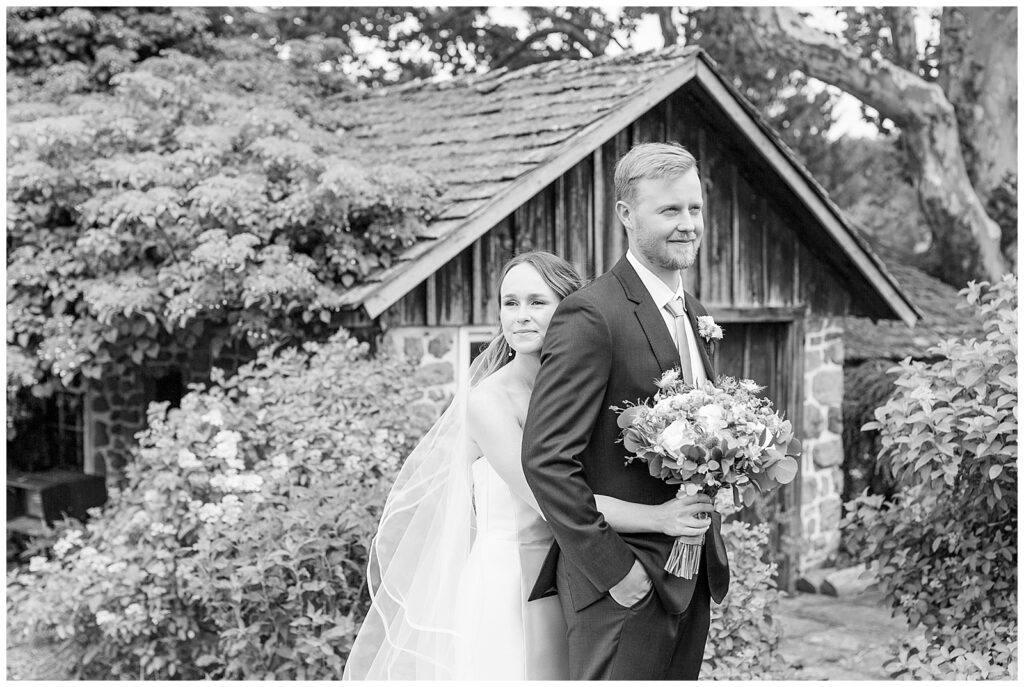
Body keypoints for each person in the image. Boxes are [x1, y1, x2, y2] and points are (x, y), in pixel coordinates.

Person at [343, 250, 714, 680]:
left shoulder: (588, 391)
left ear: (571, 310)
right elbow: (549, 495)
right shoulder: (488, 403)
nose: (520, 316)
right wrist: (659, 518)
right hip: (510, 582)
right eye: (510, 302)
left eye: (537, 302)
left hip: (578, 574)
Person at [522, 142, 731, 680]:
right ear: (625, 215)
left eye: (695, 208)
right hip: (623, 586)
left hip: (691, 578)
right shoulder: (592, 315)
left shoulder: (696, 314)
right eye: (669, 210)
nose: (688, 224)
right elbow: (546, 461)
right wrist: (617, 573)